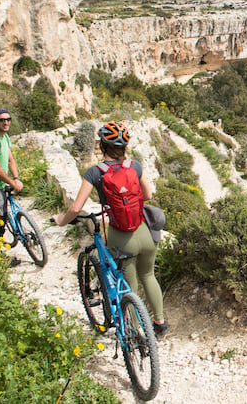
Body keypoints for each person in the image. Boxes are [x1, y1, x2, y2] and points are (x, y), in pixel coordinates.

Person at [52, 121, 168, 338]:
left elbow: (76, 207)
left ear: (102, 146)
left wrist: (61, 220)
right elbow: (148, 195)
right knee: (149, 275)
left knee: (128, 287)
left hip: (121, 237)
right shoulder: (134, 166)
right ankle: (160, 323)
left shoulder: (94, 173)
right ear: (125, 148)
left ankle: (134, 334)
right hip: (145, 231)